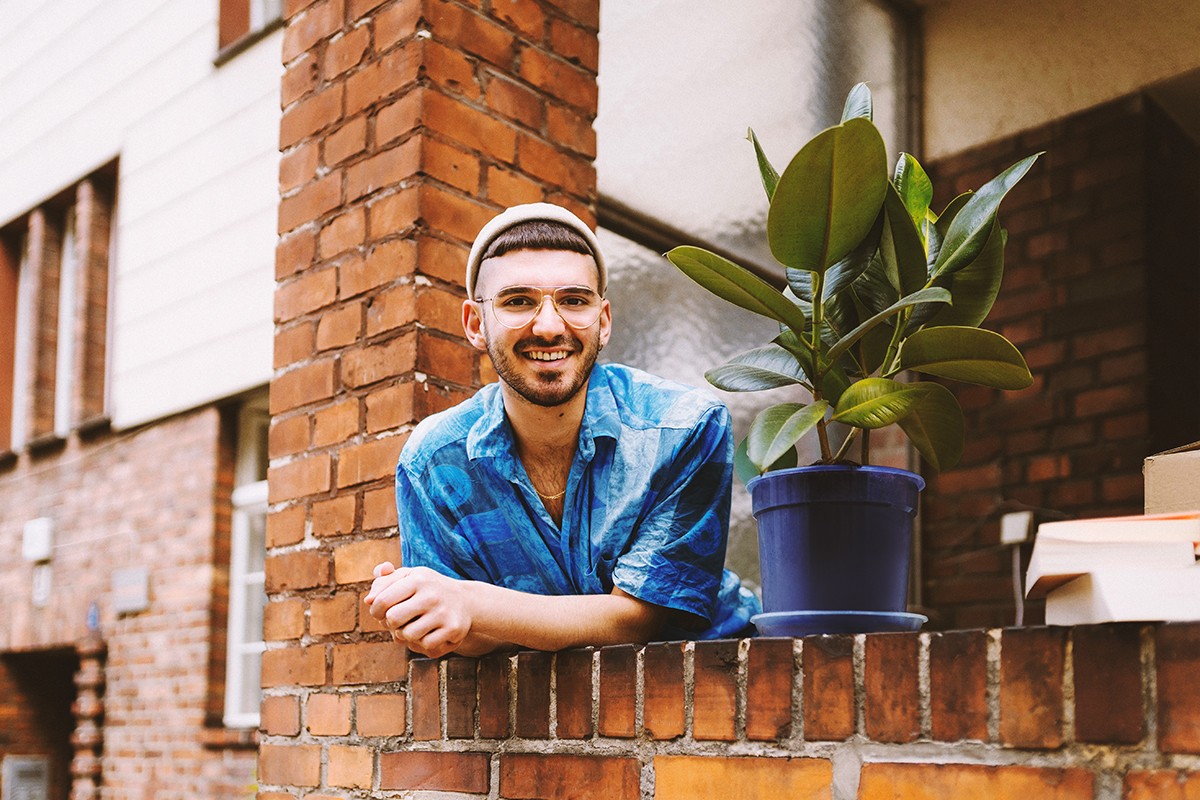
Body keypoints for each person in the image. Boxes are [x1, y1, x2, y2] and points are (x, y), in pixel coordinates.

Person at [364, 202, 760, 657]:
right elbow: (459, 637)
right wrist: (415, 611)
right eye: (518, 302)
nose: (550, 327)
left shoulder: (684, 426)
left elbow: (646, 617)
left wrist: (469, 601)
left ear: (603, 321)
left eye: (573, 300)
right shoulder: (432, 461)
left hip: (723, 684)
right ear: (475, 324)